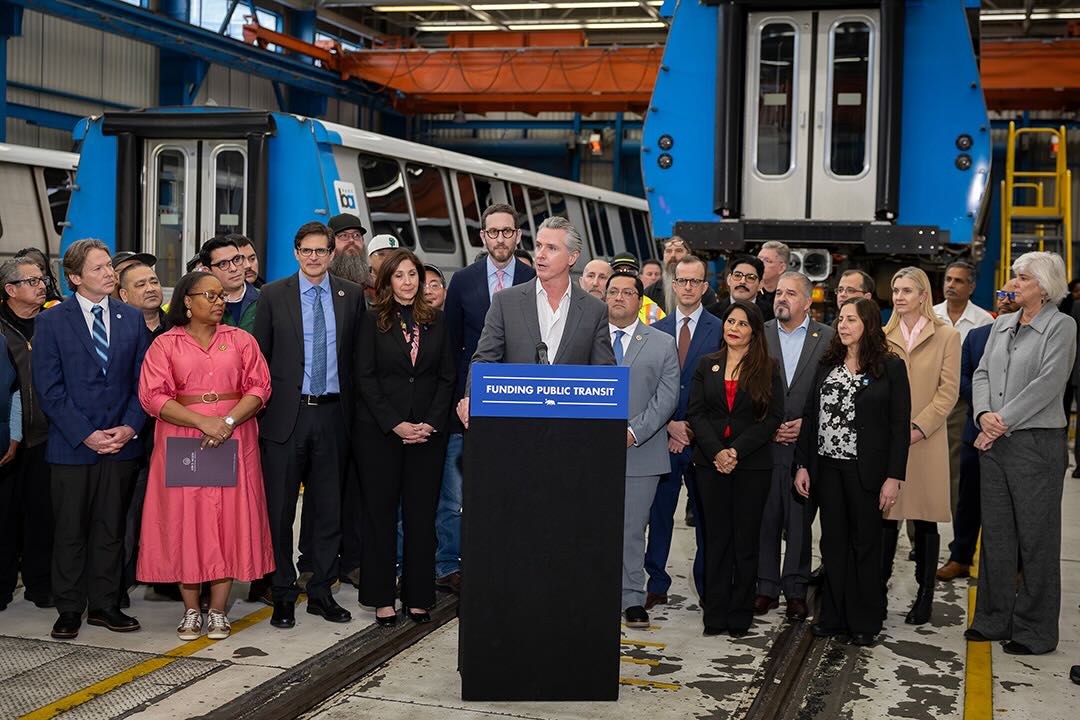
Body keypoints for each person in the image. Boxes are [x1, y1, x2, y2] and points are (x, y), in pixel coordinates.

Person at [136, 272, 274, 641]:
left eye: (221, 295)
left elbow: (260, 387)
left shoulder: (241, 340)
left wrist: (226, 421)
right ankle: (191, 611)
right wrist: (203, 422)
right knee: (187, 522)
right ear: (186, 300)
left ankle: (217, 611)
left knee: (227, 522)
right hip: (184, 440)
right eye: (210, 295)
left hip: (234, 438)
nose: (219, 301)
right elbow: (153, 397)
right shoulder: (165, 345)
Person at [33, 239, 151, 640]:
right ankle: (69, 608)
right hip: (72, 446)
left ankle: (104, 604)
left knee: (110, 528)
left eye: (109, 267)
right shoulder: (51, 321)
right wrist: (86, 434)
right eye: (99, 268)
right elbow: (49, 389)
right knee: (70, 530)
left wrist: (129, 427)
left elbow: (143, 382)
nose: (110, 274)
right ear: (75, 277)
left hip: (121, 444)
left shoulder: (131, 318)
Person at [253, 222, 365, 629]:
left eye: (322, 250)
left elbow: (358, 359)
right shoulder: (272, 295)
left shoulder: (350, 296)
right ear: (296, 252)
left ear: (332, 254)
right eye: (307, 250)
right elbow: (259, 360)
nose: (315, 257)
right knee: (280, 511)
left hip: (334, 415)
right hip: (286, 417)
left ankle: (320, 590)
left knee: (327, 510)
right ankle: (283, 592)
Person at [967, 251, 1075, 656]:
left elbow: (1049, 384)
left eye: (1022, 278)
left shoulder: (1060, 327)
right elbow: (981, 372)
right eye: (1013, 276)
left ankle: (1035, 630)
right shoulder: (1003, 326)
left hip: (1034, 445)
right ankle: (993, 618)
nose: (1012, 283)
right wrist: (982, 415)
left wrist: (1000, 421)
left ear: (1044, 288)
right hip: (994, 442)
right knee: (996, 536)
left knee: (1037, 541)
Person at [794, 298, 911, 645]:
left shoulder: (890, 367)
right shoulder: (827, 363)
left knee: (865, 545)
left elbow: (898, 427)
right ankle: (833, 616)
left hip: (868, 472)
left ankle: (864, 620)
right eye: (840, 319)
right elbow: (810, 416)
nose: (843, 325)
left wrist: (894, 476)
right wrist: (803, 464)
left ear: (869, 325)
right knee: (833, 544)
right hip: (827, 469)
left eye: (851, 320)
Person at [355, 250, 454, 626]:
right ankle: (382, 598)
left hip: (427, 435)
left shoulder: (438, 322)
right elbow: (364, 377)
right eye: (400, 275)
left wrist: (429, 422)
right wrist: (395, 423)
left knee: (420, 516)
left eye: (413, 274)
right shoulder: (370, 322)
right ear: (387, 282)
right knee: (380, 515)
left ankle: (418, 596)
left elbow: (446, 377)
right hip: (381, 434)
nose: (409, 282)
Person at [440, 203, 535, 592]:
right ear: (482, 237)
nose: (500, 238)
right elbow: (452, 344)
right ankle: (448, 564)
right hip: (468, 401)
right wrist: (457, 399)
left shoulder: (533, 277)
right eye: (492, 232)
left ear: (517, 236)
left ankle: (504, 559)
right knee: (454, 491)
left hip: (517, 401)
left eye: (507, 231)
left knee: (508, 488)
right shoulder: (463, 280)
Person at [458, 215, 616, 430]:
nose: (540, 255)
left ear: (572, 257)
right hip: (514, 428)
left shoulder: (594, 310)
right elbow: (484, 360)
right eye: (539, 245)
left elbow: (604, 376)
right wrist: (471, 397)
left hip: (571, 432)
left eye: (551, 248)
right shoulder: (506, 301)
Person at [688, 300, 784, 637]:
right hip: (709, 465)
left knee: (745, 541)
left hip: (751, 467)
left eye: (743, 324)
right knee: (716, 540)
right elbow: (696, 413)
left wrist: (735, 452)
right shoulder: (707, 364)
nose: (734, 328)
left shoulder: (768, 368)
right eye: (730, 321)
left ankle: (740, 612)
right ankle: (714, 614)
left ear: (755, 332)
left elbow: (772, 417)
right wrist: (717, 452)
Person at [882, 267, 960, 626]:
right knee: (886, 519)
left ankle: (925, 596)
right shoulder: (883, 336)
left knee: (924, 521)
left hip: (926, 442)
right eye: (896, 289)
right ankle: (877, 591)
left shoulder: (947, 336)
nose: (899, 296)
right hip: (888, 441)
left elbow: (948, 393)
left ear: (923, 296)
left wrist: (918, 427)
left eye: (907, 290)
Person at [645, 255, 722, 610]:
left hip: (702, 440)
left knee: (706, 516)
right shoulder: (656, 330)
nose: (688, 287)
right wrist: (669, 424)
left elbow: (720, 389)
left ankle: (707, 584)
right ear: (673, 286)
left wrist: (691, 428)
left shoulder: (720, 329)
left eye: (695, 282)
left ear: (705, 286)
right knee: (660, 515)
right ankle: (656, 582)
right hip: (662, 437)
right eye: (682, 281)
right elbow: (651, 385)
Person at [756, 271, 833, 621]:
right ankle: (766, 588)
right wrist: (770, 427)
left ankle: (796, 590)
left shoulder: (828, 339)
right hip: (766, 444)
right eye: (778, 293)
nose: (781, 299)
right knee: (766, 517)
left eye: (790, 294)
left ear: (807, 301)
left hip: (806, 448)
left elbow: (830, 391)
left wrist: (807, 424)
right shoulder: (760, 335)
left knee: (799, 521)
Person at [605, 272, 679, 629]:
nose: (619, 297)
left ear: (639, 300)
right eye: (613, 291)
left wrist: (634, 432)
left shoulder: (662, 343)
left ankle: (632, 596)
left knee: (632, 530)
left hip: (641, 452)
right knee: (592, 527)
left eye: (627, 292)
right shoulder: (586, 339)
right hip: (588, 453)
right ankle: (594, 592)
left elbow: (667, 398)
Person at [938, 280, 1020, 581]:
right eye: (1001, 294)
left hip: (1013, 434)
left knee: (1014, 506)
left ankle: (1017, 567)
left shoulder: (1031, 338)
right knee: (968, 501)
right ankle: (960, 557)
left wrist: (1002, 410)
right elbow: (959, 376)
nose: (1006, 300)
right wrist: (985, 406)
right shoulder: (977, 336)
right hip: (976, 431)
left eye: (1012, 295)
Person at [0, 258, 52, 610]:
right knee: (4, 516)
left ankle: (40, 584)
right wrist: (12, 432)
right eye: (31, 281)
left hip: (49, 436)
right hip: (8, 438)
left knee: (43, 514)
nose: (41, 285)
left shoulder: (53, 322)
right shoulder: (2, 328)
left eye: (42, 279)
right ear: (10, 290)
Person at [933, 262, 993, 532]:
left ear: (971, 286)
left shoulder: (985, 322)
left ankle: (959, 536)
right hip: (929, 400)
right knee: (921, 468)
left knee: (958, 472)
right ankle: (919, 536)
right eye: (948, 279)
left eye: (958, 281)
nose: (951, 285)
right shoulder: (930, 316)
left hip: (962, 403)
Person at [646, 236, 718, 316]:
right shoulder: (650, 293)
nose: (673, 255)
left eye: (678, 251)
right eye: (668, 251)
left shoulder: (705, 292)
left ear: (688, 255)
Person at [200, 236, 259, 333]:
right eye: (223, 264)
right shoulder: (200, 306)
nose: (233, 268)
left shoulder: (264, 299)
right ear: (208, 271)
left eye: (237, 259)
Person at [118, 263, 168, 337]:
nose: (150, 289)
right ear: (124, 295)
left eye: (154, 282)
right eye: (141, 285)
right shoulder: (115, 329)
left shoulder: (177, 325)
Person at [719, 256, 774, 321]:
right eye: (737, 275)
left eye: (750, 277)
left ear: (760, 284)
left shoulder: (772, 315)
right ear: (729, 279)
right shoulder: (711, 312)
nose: (742, 282)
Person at [328, 213, 372, 288]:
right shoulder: (324, 282)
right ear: (331, 243)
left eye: (356, 235)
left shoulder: (375, 285)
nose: (351, 240)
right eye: (344, 236)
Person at [756, 241, 791, 317]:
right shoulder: (750, 293)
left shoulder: (790, 298)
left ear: (781, 268)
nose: (760, 264)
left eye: (767, 261)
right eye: (759, 259)